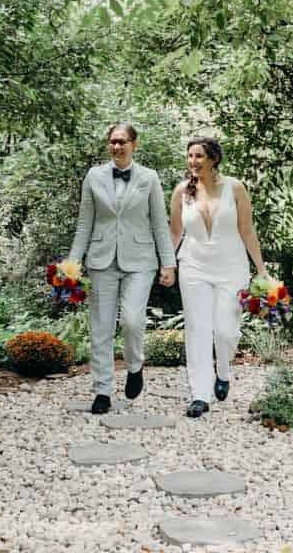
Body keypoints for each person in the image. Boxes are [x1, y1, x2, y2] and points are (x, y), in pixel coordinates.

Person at [69, 122, 177, 415]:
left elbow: (158, 222)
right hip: (101, 259)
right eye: (113, 142)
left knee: (132, 320)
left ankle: (134, 366)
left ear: (134, 145)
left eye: (122, 142)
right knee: (101, 327)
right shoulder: (94, 176)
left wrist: (169, 262)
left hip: (140, 260)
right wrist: (72, 264)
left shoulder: (149, 178)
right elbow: (84, 224)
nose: (117, 147)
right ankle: (102, 390)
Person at [169, 137, 269, 418]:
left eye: (198, 156)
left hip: (231, 267)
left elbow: (248, 231)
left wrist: (261, 269)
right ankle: (200, 394)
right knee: (197, 329)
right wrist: (167, 264)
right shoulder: (181, 192)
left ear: (213, 159)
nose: (193, 162)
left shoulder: (235, 188)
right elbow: (175, 233)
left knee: (226, 330)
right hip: (193, 266)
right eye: (189, 156)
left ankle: (223, 370)